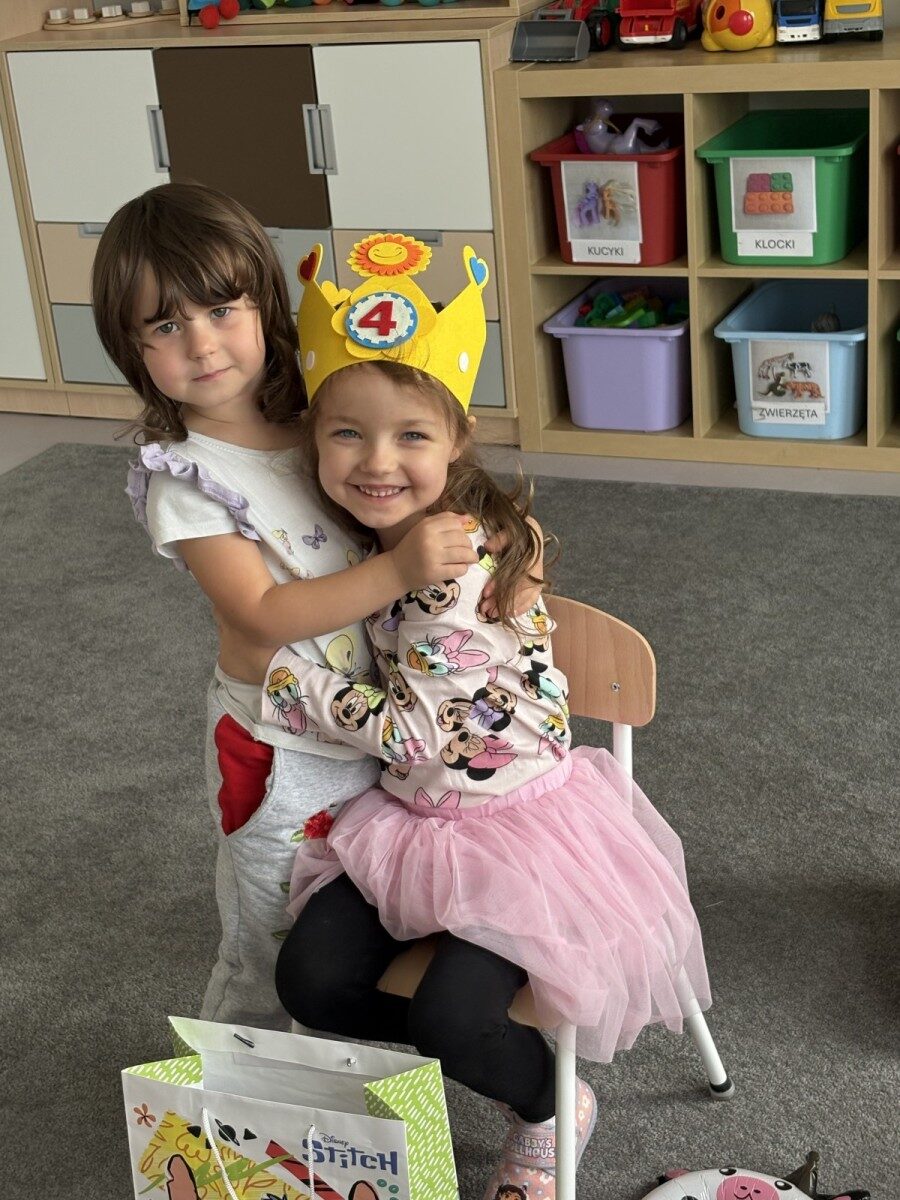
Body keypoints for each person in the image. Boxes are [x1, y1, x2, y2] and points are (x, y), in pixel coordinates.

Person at [264, 235, 713, 1200]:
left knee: (450, 1019)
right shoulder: (401, 536)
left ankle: (550, 1103)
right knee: (310, 982)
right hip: (417, 815)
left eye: (411, 437)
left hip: (518, 829)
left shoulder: (447, 572)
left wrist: (296, 686)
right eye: (347, 434)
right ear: (314, 439)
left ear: (457, 440)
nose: (376, 462)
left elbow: (419, 735)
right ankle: (479, 1068)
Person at [91, 186, 526, 1032]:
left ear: (264, 305)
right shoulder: (188, 479)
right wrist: (399, 569)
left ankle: (362, 1069)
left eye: (222, 310)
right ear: (130, 346)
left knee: (364, 919)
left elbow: (421, 467)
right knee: (268, 936)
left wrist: (501, 542)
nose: (203, 343)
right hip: (278, 748)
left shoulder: (319, 419)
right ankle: (237, 1082)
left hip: (373, 722)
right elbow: (259, 613)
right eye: (166, 325)